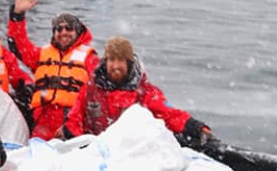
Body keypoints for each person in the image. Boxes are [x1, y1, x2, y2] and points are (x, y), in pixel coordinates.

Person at [58, 36, 217, 150]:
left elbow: (170, 115)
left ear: (129, 63)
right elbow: (74, 120)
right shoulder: (91, 89)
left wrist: (197, 127)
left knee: (186, 141)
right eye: (112, 60)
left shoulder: (145, 92)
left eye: (121, 60)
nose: (116, 66)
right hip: (96, 150)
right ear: (105, 62)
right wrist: (81, 146)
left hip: (132, 152)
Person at [7, 0, 99, 140]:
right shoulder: (42, 54)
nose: (63, 32)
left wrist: (74, 125)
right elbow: (18, 44)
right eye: (59, 29)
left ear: (78, 31)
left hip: (72, 121)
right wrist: (17, 14)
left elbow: (98, 93)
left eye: (69, 28)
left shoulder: (89, 58)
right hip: (42, 120)